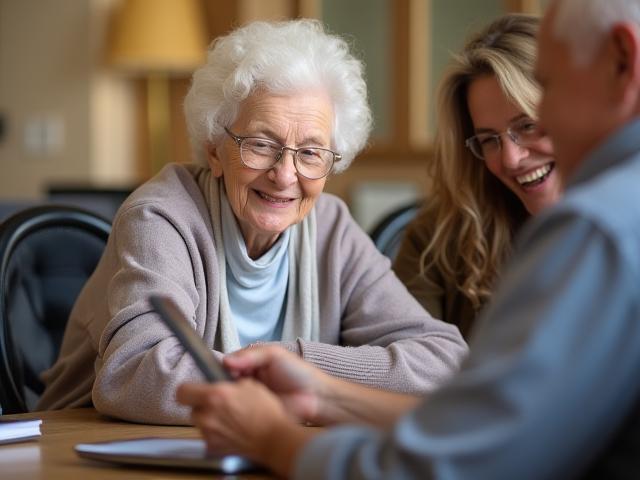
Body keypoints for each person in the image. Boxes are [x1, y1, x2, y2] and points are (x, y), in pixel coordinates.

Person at [177, 2, 640, 478]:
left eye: (549, 91)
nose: (515, 155)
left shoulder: (599, 227)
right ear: (215, 150)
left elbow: (462, 460)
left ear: (624, 61)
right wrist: (325, 393)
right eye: (260, 143)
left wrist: (273, 440)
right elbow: (492, 424)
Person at [36, 19, 467, 424]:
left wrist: (298, 365)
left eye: (311, 152)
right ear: (213, 148)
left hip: (240, 448)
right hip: (90, 445)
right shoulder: (162, 217)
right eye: (261, 144)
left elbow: (445, 361)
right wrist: (293, 384)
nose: (285, 175)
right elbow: (135, 374)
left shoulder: (331, 227)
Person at [394, 14, 562, 338]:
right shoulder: (437, 238)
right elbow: (405, 367)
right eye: (488, 140)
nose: (511, 159)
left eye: (527, 126)